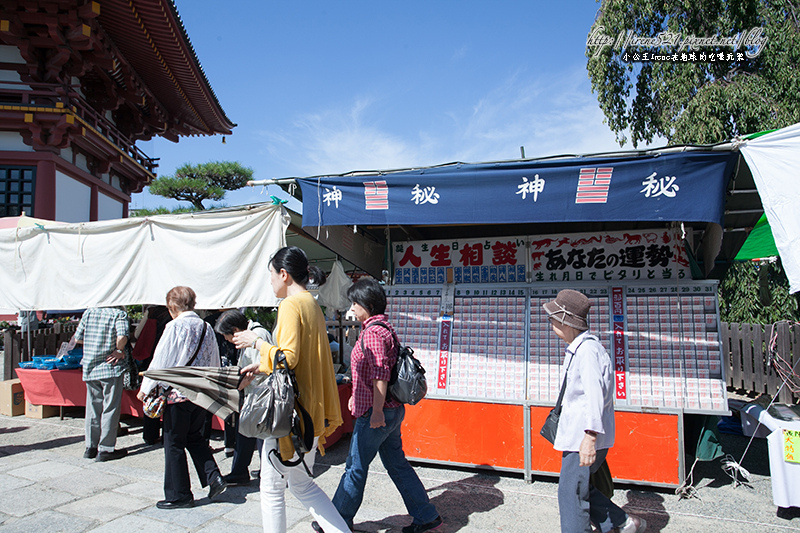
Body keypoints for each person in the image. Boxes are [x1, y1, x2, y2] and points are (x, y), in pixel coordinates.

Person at [233, 246, 349, 533]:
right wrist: (261, 366)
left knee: (272, 489)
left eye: (271, 275)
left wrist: (255, 342)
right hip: (310, 411)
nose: (270, 281)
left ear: (283, 274)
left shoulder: (289, 305)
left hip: (290, 414)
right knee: (302, 484)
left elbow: (289, 358)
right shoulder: (311, 303)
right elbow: (300, 358)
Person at [331, 277, 442, 533]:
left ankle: (336, 521)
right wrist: (357, 394)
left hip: (377, 414)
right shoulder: (384, 328)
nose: (352, 308)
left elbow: (380, 375)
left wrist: (377, 412)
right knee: (397, 464)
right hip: (389, 411)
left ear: (366, 304)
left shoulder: (372, 333)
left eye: (354, 303)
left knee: (355, 467)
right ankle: (426, 516)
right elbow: (373, 373)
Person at [543, 289, 646, 533]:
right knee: (581, 487)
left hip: (583, 437)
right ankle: (623, 523)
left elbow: (594, 397)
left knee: (570, 494)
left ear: (565, 320)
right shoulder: (582, 348)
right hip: (581, 436)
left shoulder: (588, 352)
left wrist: (589, 438)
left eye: (553, 319)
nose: (551, 324)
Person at [137, 286, 227, 510]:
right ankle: (213, 477)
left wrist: (146, 386)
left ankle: (180, 495)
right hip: (200, 393)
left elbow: (162, 360)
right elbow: (213, 360)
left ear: (172, 306)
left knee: (174, 443)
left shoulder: (174, 326)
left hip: (178, 394)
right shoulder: (207, 327)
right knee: (195, 438)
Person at [214, 308, 271, 485]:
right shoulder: (255, 332)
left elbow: (260, 367)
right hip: (254, 394)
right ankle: (244, 471)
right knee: (247, 434)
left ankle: (262, 472)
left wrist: (241, 385)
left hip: (259, 394)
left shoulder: (257, 334)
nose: (227, 340)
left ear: (236, 331)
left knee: (257, 435)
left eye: (227, 336)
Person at [73, 306, 130, 462]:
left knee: (92, 408)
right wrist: (119, 350)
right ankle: (106, 448)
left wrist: (95, 344)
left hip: (90, 367)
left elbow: (77, 338)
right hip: (110, 367)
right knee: (110, 408)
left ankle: (90, 447)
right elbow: (122, 336)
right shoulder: (118, 314)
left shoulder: (89, 313)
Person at [132, 304, 173, 445]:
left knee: (151, 395)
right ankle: (168, 434)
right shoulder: (175, 312)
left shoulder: (151, 311)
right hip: (170, 360)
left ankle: (150, 435)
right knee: (169, 397)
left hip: (150, 358)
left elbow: (138, 334)